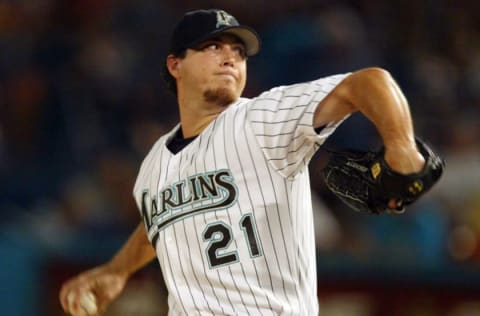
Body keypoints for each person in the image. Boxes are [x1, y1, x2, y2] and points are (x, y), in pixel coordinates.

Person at [59, 8, 425, 316]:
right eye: (213, 46)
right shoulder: (155, 162)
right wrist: (116, 271)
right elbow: (160, 224)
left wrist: (402, 146)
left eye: (238, 50)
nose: (230, 56)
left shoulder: (262, 119)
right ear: (175, 64)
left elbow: (369, 82)